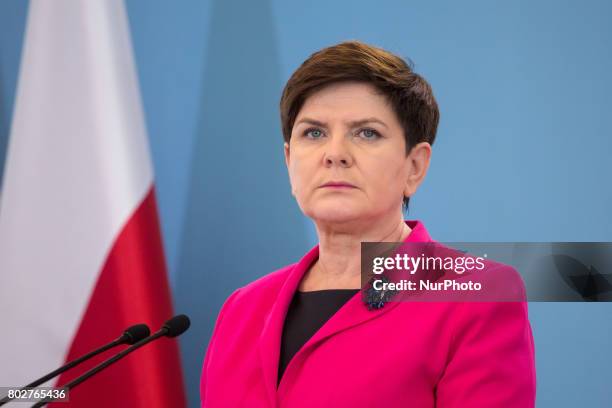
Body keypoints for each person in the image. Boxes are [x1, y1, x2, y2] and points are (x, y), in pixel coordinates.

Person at [200, 40, 536, 407]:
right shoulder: (241, 310)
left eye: (367, 133)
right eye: (313, 132)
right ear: (288, 159)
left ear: (415, 166)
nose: (335, 154)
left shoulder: (476, 294)